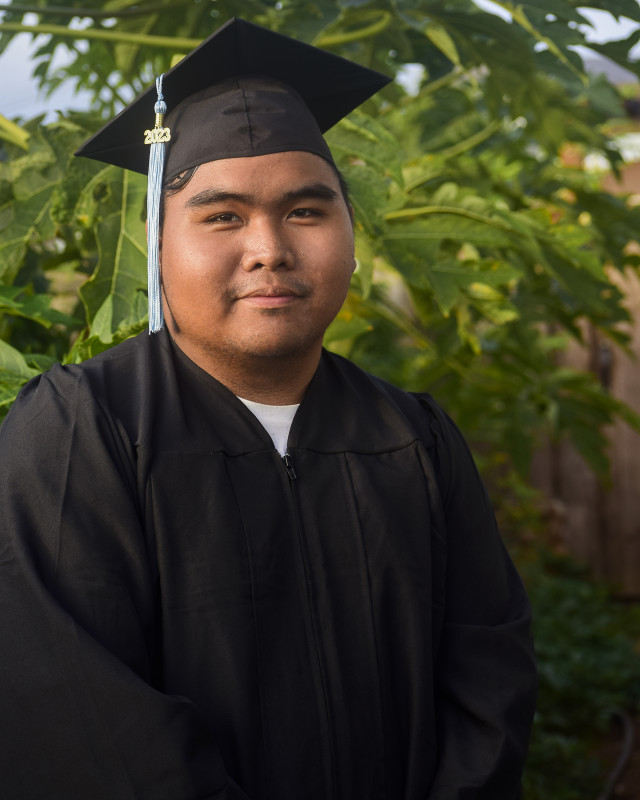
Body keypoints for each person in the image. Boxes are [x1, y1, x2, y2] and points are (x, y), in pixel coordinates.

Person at [0, 18, 537, 800]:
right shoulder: (83, 432)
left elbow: (490, 678)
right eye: (222, 216)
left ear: (351, 236)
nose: (269, 248)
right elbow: (77, 720)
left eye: (307, 211)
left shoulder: (413, 437)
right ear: (158, 242)